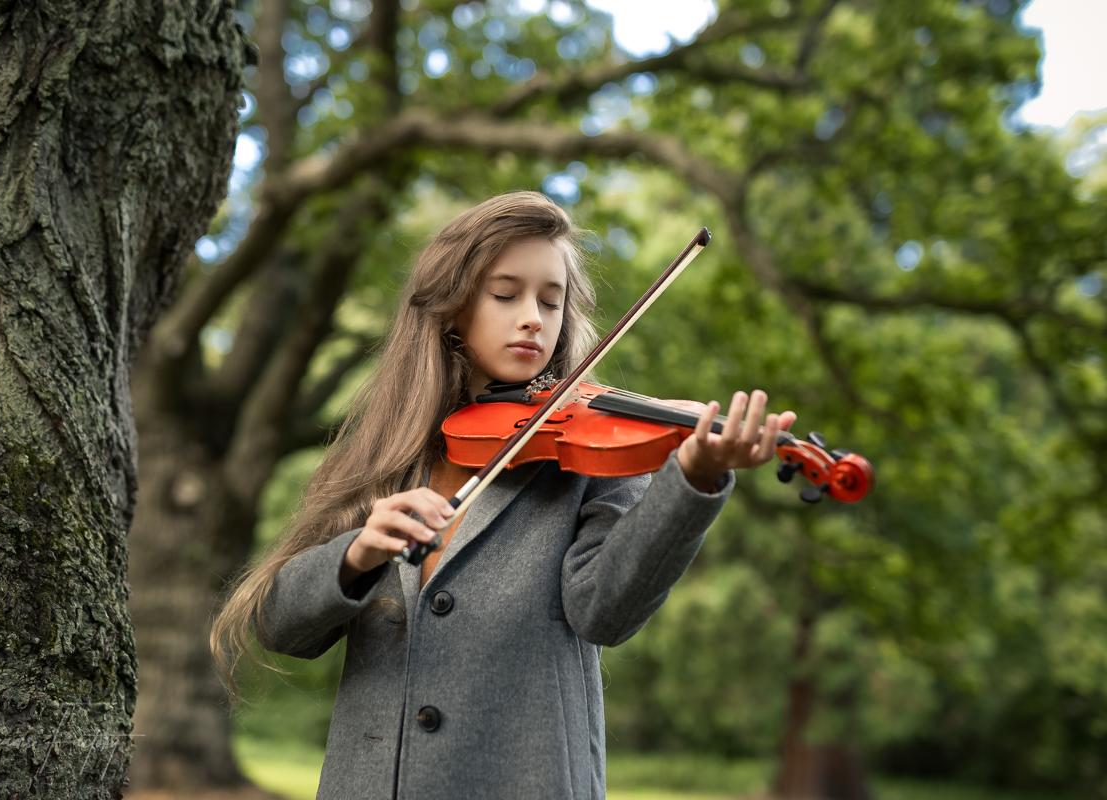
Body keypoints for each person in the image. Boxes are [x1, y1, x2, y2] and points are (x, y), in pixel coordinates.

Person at [210, 191, 796, 800]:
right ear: (452, 307)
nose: (533, 319)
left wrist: (694, 478)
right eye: (505, 294)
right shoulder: (387, 453)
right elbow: (279, 627)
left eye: (551, 299)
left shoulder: (594, 454)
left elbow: (606, 611)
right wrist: (357, 554)